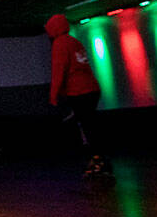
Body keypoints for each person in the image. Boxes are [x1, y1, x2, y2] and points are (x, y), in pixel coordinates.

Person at [47, 14, 111, 177]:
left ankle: (98, 161)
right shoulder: (74, 41)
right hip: (91, 89)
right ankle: (99, 159)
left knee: (87, 127)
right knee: (89, 125)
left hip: (79, 91)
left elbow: (59, 70)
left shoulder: (59, 43)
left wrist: (54, 95)